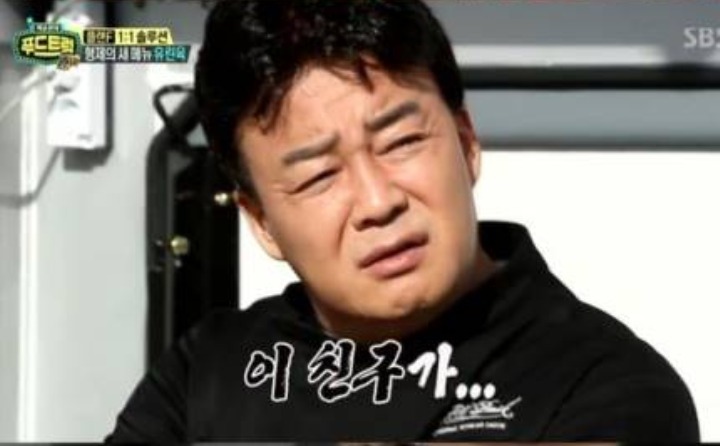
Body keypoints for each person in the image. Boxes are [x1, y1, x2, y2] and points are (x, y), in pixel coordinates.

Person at [106, 0, 699, 441]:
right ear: (261, 222)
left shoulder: (609, 385)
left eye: (402, 142)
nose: (377, 202)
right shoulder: (205, 375)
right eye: (318, 175)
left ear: (466, 143)